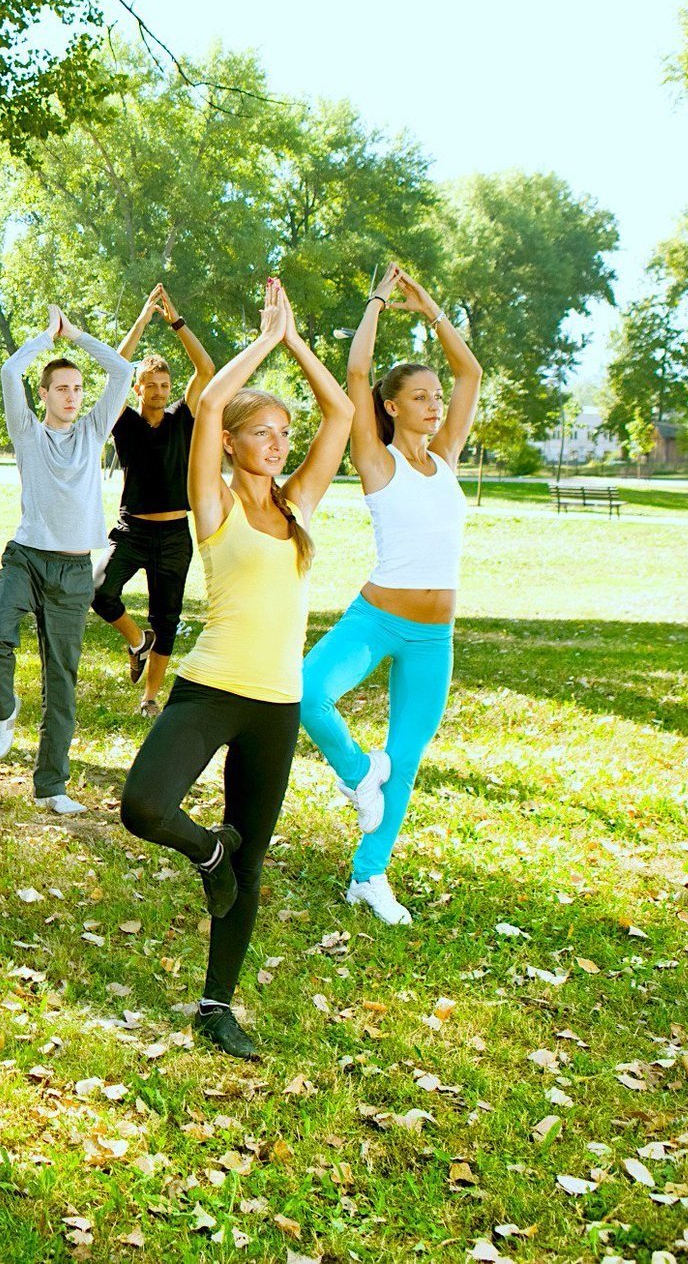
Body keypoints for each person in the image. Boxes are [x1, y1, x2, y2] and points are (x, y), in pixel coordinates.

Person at [118, 277, 352, 1059]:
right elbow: (210, 405)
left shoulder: (298, 508)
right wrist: (262, 341)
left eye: (286, 432)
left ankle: (217, 1006)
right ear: (233, 444)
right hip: (211, 687)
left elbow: (344, 416)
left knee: (252, 864)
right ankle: (205, 851)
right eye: (266, 431)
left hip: (276, 705)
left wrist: (295, 343)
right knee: (145, 807)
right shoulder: (212, 499)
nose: (280, 442)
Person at [300, 264, 482, 927]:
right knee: (306, 691)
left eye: (436, 397)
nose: (436, 405)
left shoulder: (447, 458)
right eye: (421, 397)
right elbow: (354, 377)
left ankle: (368, 875)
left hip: (435, 637)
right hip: (377, 618)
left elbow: (471, 374)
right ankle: (355, 773)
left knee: (404, 759)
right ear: (392, 406)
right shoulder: (378, 459)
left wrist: (427, 304)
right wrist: (378, 299)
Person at [0, 304, 132, 814]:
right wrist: (47, 337)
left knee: (61, 681)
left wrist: (77, 336)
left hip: (72, 571)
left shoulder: (92, 432)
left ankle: (51, 787)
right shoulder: (27, 431)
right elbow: (8, 371)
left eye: (77, 389)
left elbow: (123, 370)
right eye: (61, 388)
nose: (72, 396)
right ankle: (4, 707)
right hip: (26, 558)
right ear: (43, 395)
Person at [96, 284, 216, 717]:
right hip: (133, 530)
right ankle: (136, 640)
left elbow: (206, 367)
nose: (161, 391)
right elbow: (114, 369)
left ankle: (149, 699)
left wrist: (176, 321)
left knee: (168, 619)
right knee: (98, 590)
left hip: (174, 535)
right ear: (138, 389)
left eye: (166, 385)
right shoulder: (123, 421)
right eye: (152, 385)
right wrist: (143, 318)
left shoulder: (185, 417)